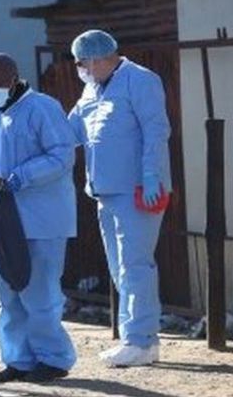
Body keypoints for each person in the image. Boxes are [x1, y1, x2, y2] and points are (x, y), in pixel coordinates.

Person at [0, 53, 77, 384]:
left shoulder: (43, 108)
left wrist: (24, 175)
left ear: (14, 80)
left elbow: (62, 155)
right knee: (8, 292)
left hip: (41, 218)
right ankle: (18, 360)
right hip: (1, 217)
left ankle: (53, 359)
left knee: (40, 294)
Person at [67, 30, 171, 367]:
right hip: (105, 191)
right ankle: (134, 337)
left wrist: (151, 175)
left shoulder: (140, 80)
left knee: (136, 265)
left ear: (98, 59)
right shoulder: (92, 87)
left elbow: (156, 130)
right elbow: (71, 130)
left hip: (138, 190)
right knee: (119, 268)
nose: (80, 69)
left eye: (82, 63)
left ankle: (142, 340)